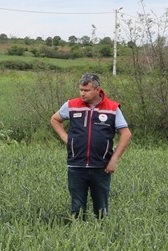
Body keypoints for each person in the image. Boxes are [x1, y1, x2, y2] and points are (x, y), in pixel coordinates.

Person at [49, 72, 132, 218]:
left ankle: (102, 230)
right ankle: (77, 230)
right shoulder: (71, 105)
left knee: (101, 210)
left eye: (86, 90)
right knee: (77, 209)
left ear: (97, 90)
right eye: (81, 89)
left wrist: (113, 160)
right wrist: (66, 138)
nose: (82, 93)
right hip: (76, 165)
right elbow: (55, 119)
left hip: (101, 167)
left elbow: (126, 134)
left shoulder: (112, 108)